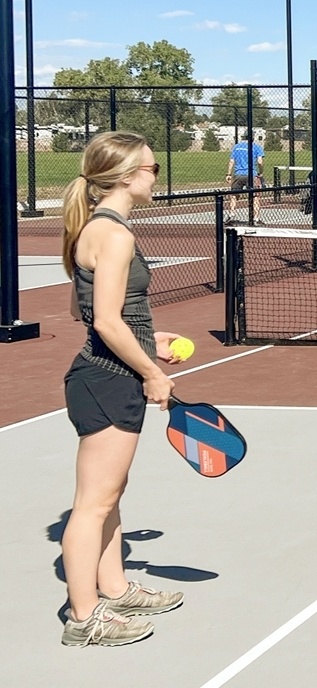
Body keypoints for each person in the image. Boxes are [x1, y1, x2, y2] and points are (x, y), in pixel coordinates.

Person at [59, 131, 187, 646]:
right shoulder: (116, 235)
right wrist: (154, 373)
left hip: (106, 373)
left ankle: (113, 589)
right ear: (130, 175)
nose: (157, 177)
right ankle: (84, 618)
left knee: (110, 494)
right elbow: (107, 323)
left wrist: (146, 339)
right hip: (108, 379)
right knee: (93, 503)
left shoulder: (93, 228)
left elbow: (82, 311)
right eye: (153, 169)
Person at [225, 132, 264, 218]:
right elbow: (260, 161)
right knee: (255, 196)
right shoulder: (256, 147)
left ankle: (231, 214)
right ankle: (256, 217)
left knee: (234, 195)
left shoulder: (237, 147)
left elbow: (231, 161)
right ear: (253, 137)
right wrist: (261, 172)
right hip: (251, 174)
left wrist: (229, 174)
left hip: (238, 174)